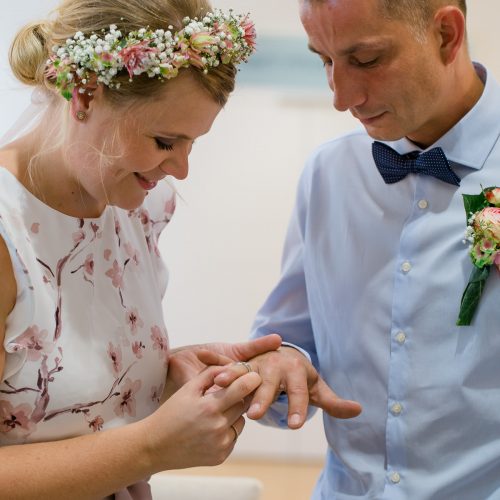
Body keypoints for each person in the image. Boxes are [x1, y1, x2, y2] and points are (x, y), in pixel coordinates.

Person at [214, 0, 500, 498]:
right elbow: (287, 340)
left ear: (446, 35)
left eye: (365, 60)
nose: (340, 97)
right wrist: (279, 362)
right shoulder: (328, 173)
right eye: (325, 60)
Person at [0, 0, 283, 498]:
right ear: (84, 95)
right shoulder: (8, 234)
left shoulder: (138, 208)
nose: (181, 170)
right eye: (165, 141)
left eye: (193, 143)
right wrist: (152, 447)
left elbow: (67, 396)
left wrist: (167, 377)